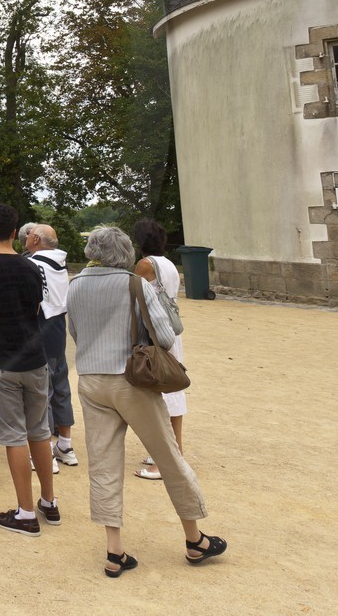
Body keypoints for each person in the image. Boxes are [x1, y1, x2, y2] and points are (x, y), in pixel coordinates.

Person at [66, 226, 225, 577]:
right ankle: (194, 539)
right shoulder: (133, 283)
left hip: (91, 381)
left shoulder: (75, 284)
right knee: (168, 455)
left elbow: (75, 333)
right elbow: (166, 336)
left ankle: (114, 551)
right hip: (131, 380)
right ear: (124, 252)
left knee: (104, 465)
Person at [0, 203, 58, 536]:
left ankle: (25, 512)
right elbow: (35, 307)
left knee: (14, 436)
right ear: (16, 230)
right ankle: (48, 500)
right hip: (34, 358)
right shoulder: (32, 268)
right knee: (39, 432)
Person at [132, 219, 186, 481]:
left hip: (156, 332)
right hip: (169, 330)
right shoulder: (168, 264)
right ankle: (170, 453)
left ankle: (167, 460)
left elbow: (130, 291)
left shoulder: (146, 265)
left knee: (161, 394)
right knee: (171, 389)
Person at [22, 222, 78, 467]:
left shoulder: (34, 263)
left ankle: (43, 452)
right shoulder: (59, 262)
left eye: (29, 235)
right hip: (57, 330)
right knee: (60, 387)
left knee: (39, 393)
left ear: (35, 239)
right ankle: (65, 445)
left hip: (39, 329)